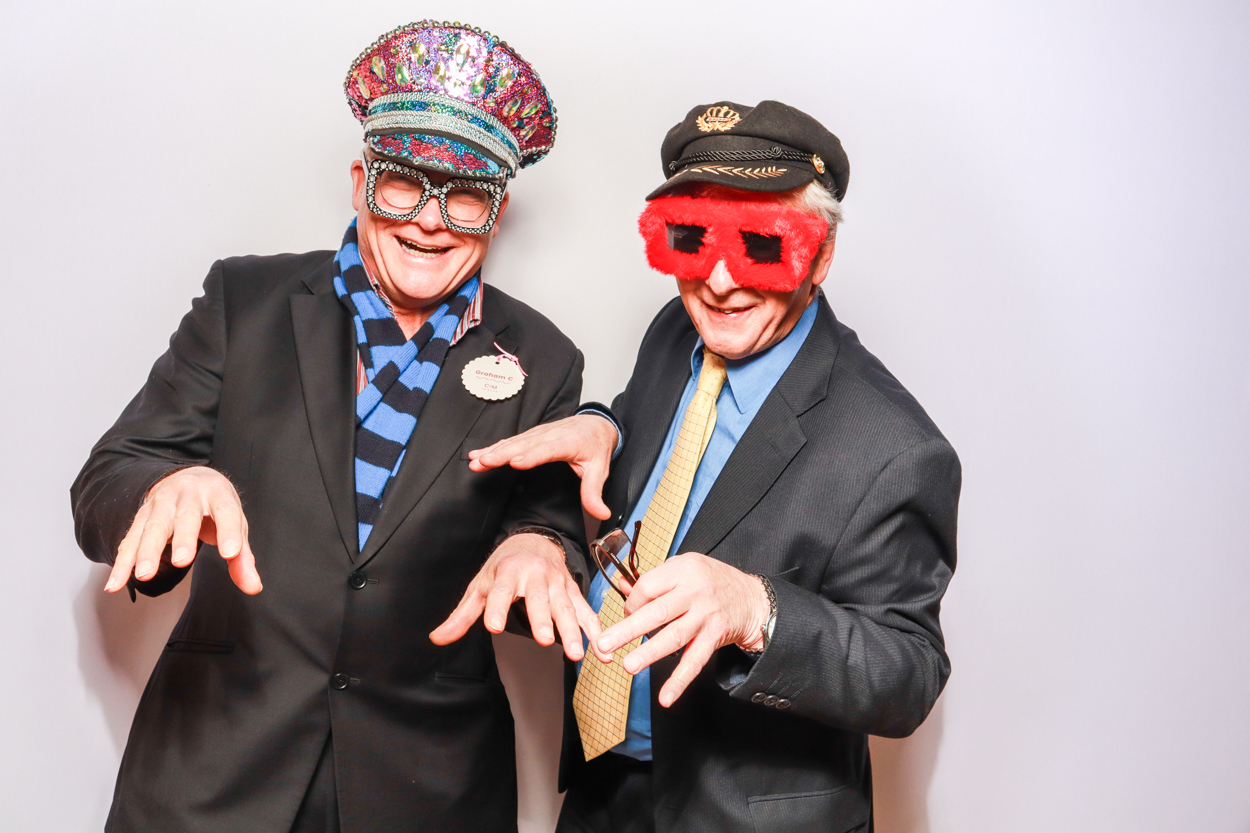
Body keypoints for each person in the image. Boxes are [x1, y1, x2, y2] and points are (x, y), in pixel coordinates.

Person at [70, 20, 603, 833]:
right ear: (360, 182)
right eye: (404, 186)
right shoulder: (243, 303)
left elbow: (549, 524)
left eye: (463, 197)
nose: (430, 221)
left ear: (494, 213)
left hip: (428, 790)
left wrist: (543, 545)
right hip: (214, 773)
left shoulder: (544, 357)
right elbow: (111, 476)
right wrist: (169, 485)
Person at [468, 100, 962, 832]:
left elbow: (909, 673)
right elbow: (649, 433)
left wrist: (757, 610)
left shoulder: (894, 448)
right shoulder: (677, 332)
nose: (721, 284)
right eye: (694, 242)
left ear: (820, 255)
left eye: (762, 246)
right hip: (604, 792)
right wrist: (601, 422)